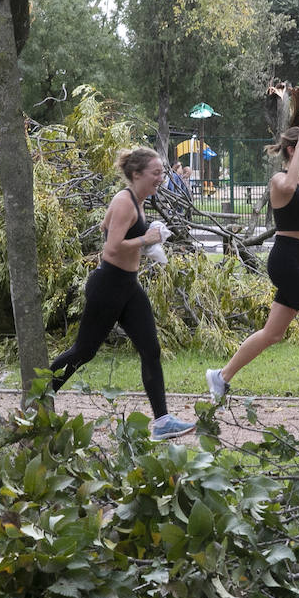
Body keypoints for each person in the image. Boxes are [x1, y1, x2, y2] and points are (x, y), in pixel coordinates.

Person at [205, 108, 299, 419]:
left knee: (273, 334)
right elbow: (288, 187)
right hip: (284, 259)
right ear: (293, 149)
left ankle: (220, 378)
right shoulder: (279, 180)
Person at [51, 147, 195, 441]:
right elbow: (112, 247)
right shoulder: (124, 200)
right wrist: (147, 238)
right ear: (137, 174)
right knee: (84, 351)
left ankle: (163, 421)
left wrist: (143, 238)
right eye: (156, 173)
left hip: (128, 286)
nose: (161, 178)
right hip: (108, 285)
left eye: (162, 173)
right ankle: (39, 393)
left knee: (151, 350)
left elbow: (107, 226)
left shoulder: (137, 202)